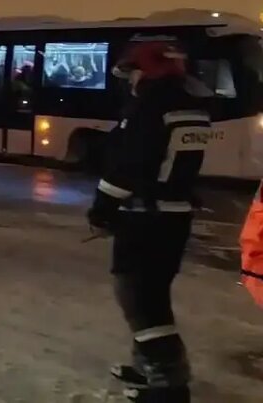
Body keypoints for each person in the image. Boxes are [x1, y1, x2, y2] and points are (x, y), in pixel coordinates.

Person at [87, 38, 210, 402]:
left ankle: (168, 385)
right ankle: (146, 369)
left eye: (134, 71)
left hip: (146, 218)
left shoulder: (150, 105)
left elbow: (128, 166)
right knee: (153, 294)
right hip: (173, 217)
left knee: (138, 297)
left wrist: (101, 210)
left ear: (148, 69)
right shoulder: (192, 103)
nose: (131, 79)